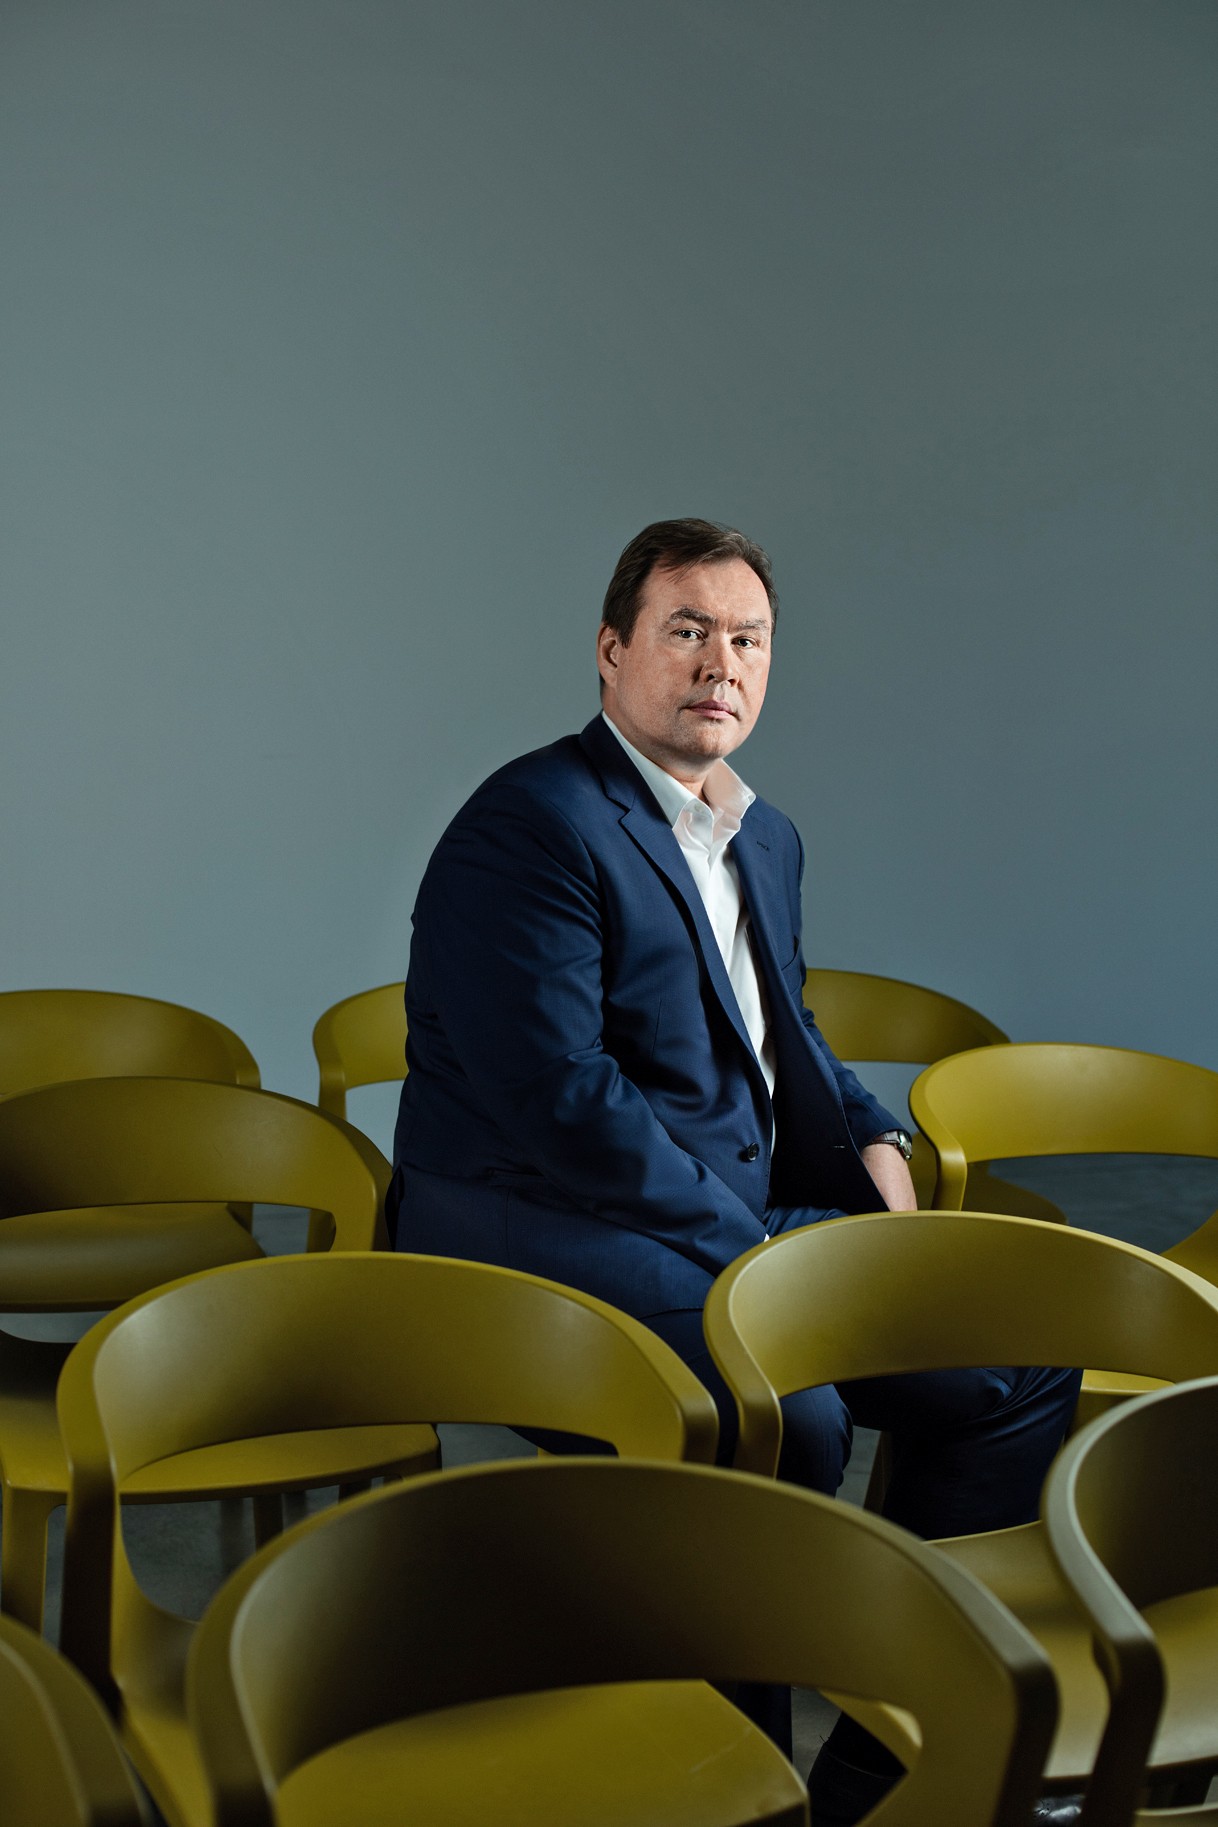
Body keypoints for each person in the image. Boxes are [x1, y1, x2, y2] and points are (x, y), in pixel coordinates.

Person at [390, 519, 1081, 1825]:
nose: (722, 663)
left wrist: (875, 1140)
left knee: (1016, 1366)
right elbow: (562, 1102)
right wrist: (769, 1259)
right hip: (530, 1224)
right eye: (688, 630)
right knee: (790, 1417)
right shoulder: (528, 826)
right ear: (612, 651)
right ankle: (737, 1799)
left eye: (748, 639)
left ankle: (889, 1777)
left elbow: (784, 1039)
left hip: (711, 1216)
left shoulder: (763, 838)